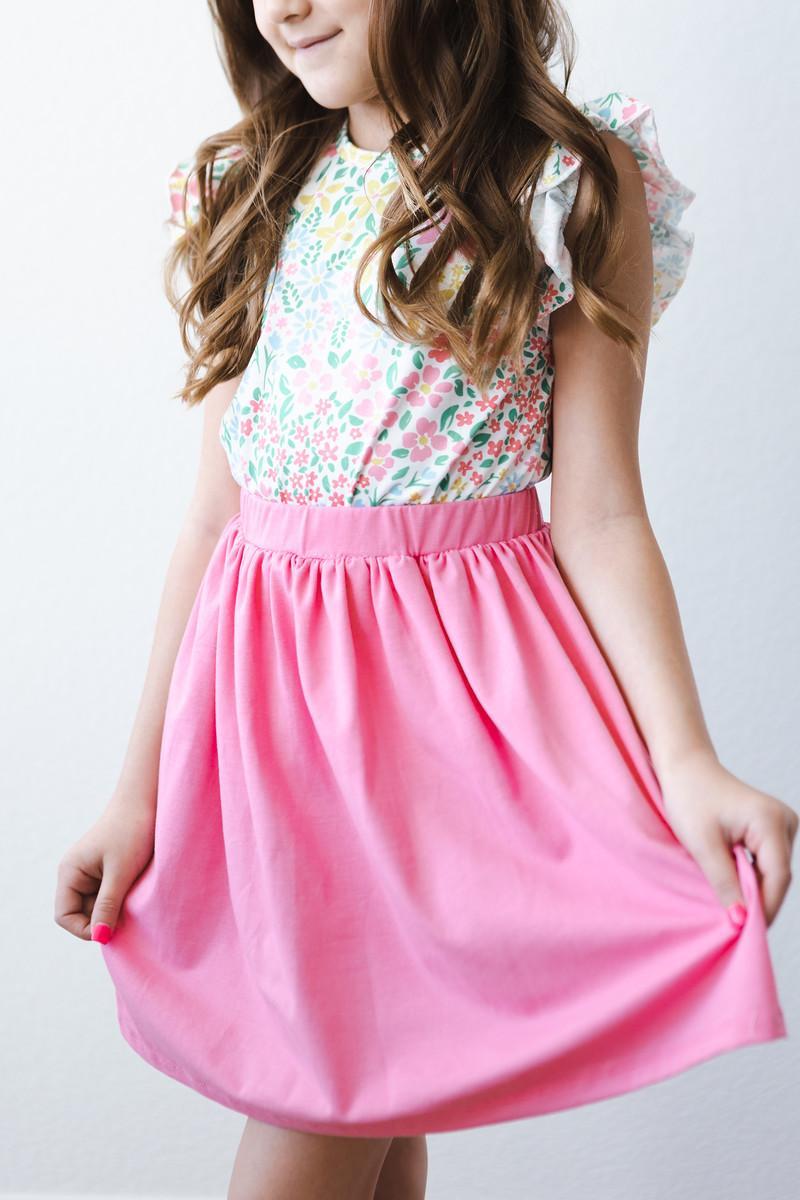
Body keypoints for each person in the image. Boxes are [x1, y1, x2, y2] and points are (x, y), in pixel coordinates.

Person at [54, 2, 796, 1197]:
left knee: (333, 1104)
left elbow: (599, 514)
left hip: (439, 732)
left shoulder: (559, 183)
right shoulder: (254, 185)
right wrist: (134, 794)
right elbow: (211, 516)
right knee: (370, 1112)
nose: (283, 7)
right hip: (270, 726)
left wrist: (686, 762)